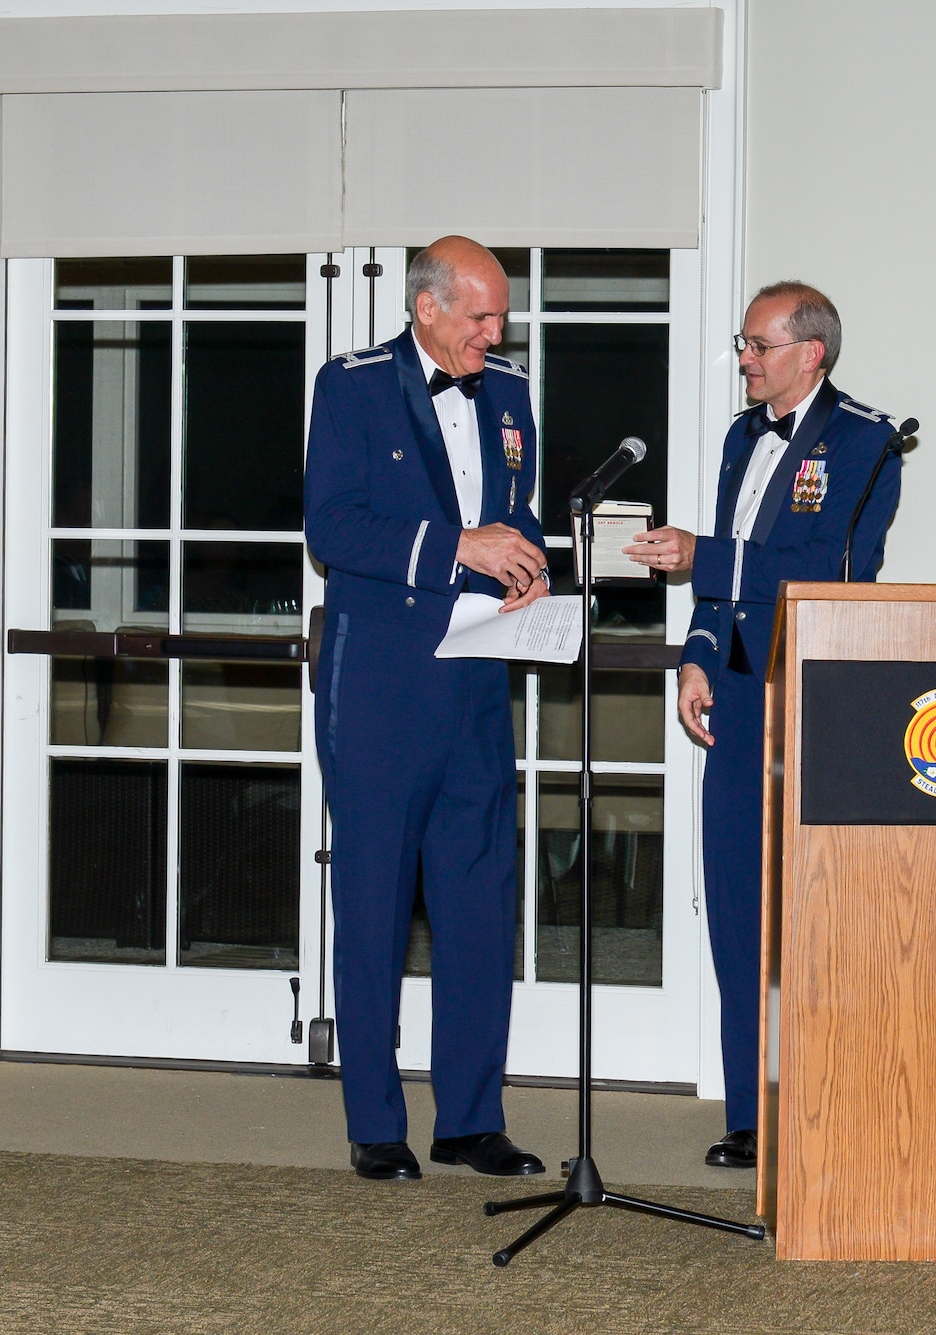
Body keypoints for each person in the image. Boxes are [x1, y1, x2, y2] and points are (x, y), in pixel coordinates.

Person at [624, 282, 904, 1168]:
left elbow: (831, 567)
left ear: (809, 352)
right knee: (739, 904)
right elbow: (723, 576)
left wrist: (703, 556)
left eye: (758, 344)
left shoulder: (866, 440)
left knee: (814, 910)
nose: (744, 358)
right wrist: (698, 653)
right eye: (742, 344)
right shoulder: (742, 435)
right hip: (741, 697)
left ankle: (826, 1099)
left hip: (816, 696)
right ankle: (750, 1111)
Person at [305, 236, 550, 1181]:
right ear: (427, 308)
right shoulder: (353, 385)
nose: (496, 332)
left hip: (480, 684)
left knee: (479, 903)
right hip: (380, 687)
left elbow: (515, 515)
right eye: (480, 316)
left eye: (500, 316)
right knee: (372, 899)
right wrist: (462, 549)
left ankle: (471, 1118)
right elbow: (333, 526)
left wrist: (524, 561)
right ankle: (376, 1120)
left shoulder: (513, 391)